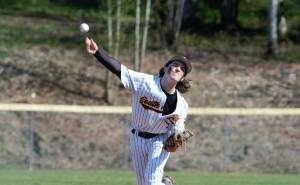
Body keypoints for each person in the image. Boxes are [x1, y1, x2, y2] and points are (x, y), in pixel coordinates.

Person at [85, 37, 192, 185]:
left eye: (182, 69)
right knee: (143, 183)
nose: (177, 68)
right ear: (167, 68)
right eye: (175, 65)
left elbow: (178, 130)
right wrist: (97, 52)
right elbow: (119, 69)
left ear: (182, 78)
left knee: (151, 182)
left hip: (159, 140)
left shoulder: (181, 105)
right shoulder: (145, 83)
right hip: (137, 137)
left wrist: (177, 136)